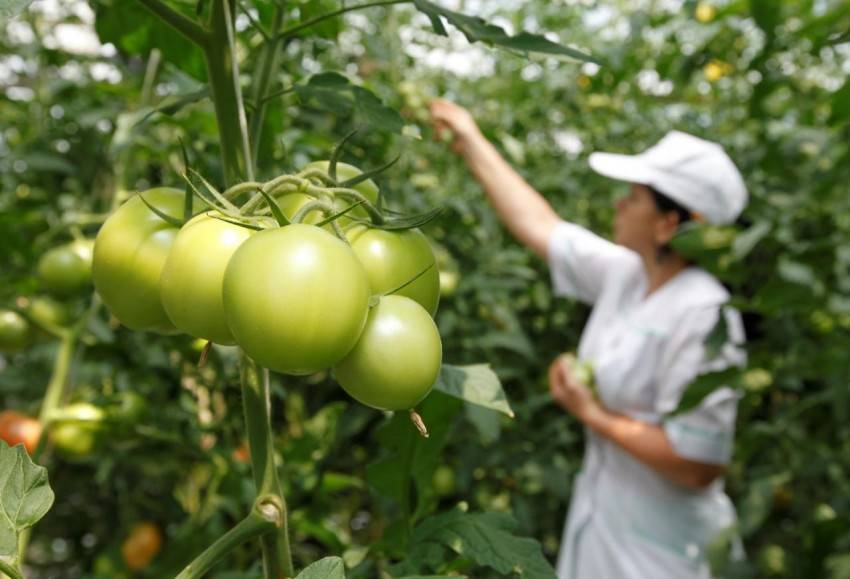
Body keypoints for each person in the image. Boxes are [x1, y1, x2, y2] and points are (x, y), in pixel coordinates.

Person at [429, 99, 748, 579]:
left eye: (634, 196)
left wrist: (590, 411)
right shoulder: (629, 275)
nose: (619, 203)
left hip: (667, 551)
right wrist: (470, 139)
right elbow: (541, 226)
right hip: (607, 525)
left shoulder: (705, 314)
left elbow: (697, 461)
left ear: (667, 224)